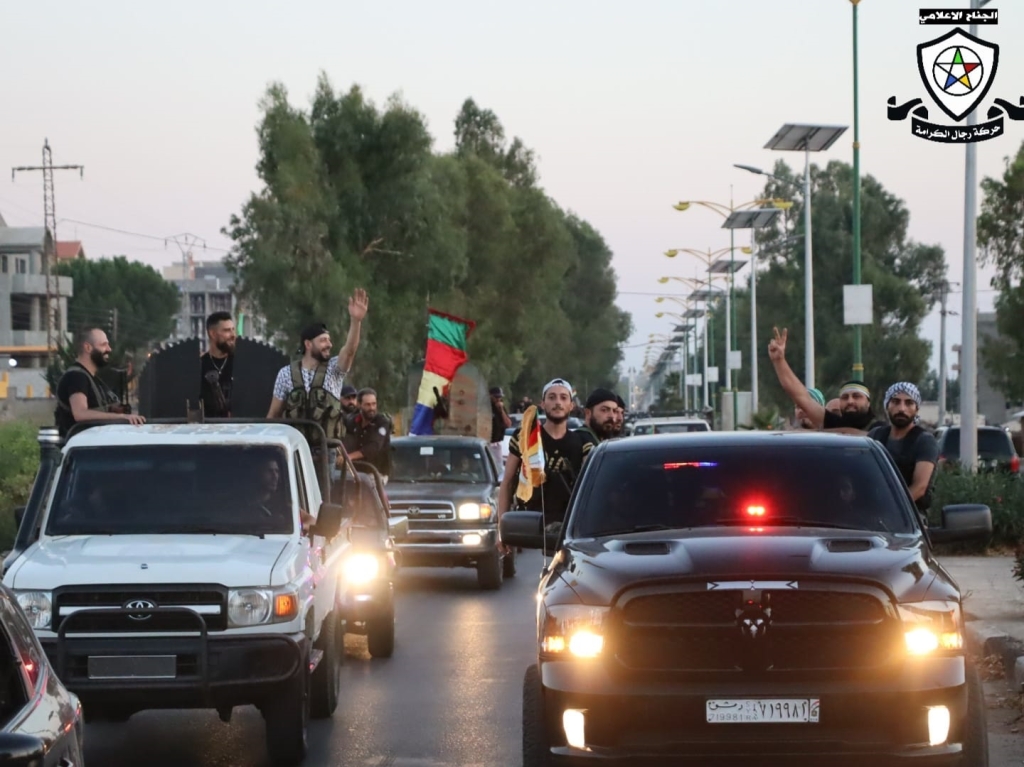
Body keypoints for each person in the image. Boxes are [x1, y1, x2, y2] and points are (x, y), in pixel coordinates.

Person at [267, 289, 368, 454]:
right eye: (323, 340)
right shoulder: (285, 374)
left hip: (326, 450)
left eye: (329, 340)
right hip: (294, 451)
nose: (329, 344)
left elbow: (350, 350)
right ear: (308, 344)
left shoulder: (334, 369)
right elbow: (273, 415)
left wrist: (356, 321)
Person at [497, 378, 599, 527]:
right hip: (530, 525)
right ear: (542, 404)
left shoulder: (582, 441)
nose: (558, 402)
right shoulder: (525, 437)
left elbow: (592, 488)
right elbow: (507, 482)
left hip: (569, 527)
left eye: (563, 398)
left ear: (571, 405)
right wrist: (501, 527)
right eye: (552, 397)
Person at [768, 327, 882, 433]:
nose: (850, 401)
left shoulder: (881, 431)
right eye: (845, 397)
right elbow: (801, 397)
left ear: (868, 402)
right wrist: (779, 361)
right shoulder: (832, 423)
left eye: (856, 396)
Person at [55, 328, 145, 438]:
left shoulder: (92, 378)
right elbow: (80, 413)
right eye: (103, 345)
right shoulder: (76, 377)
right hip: (83, 448)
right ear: (88, 347)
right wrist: (122, 417)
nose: (109, 349)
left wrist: (117, 410)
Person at [867, 382, 939, 516]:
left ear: (916, 408)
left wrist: (888, 509)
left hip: (909, 518)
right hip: (870, 515)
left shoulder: (924, 441)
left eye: (909, 403)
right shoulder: (876, 436)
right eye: (895, 402)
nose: (902, 408)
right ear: (887, 406)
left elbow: (919, 488)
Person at [343, 388, 393, 482]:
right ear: (359, 405)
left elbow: (374, 446)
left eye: (374, 404)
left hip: (376, 473)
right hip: (355, 473)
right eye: (367, 405)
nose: (372, 408)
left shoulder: (382, 422)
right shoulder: (352, 421)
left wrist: (349, 456)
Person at [200, 311, 236, 418]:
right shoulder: (199, 365)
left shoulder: (241, 364)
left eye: (233, 329)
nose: (233, 335)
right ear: (212, 333)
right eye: (227, 330)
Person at [489, 386, 512, 468]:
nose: (498, 399)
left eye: (500, 397)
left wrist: (501, 410)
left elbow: (508, 424)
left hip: (496, 442)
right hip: (487, 441)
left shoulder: (500, 408)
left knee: (498, 466)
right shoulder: (487, 407)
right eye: (496, 397)